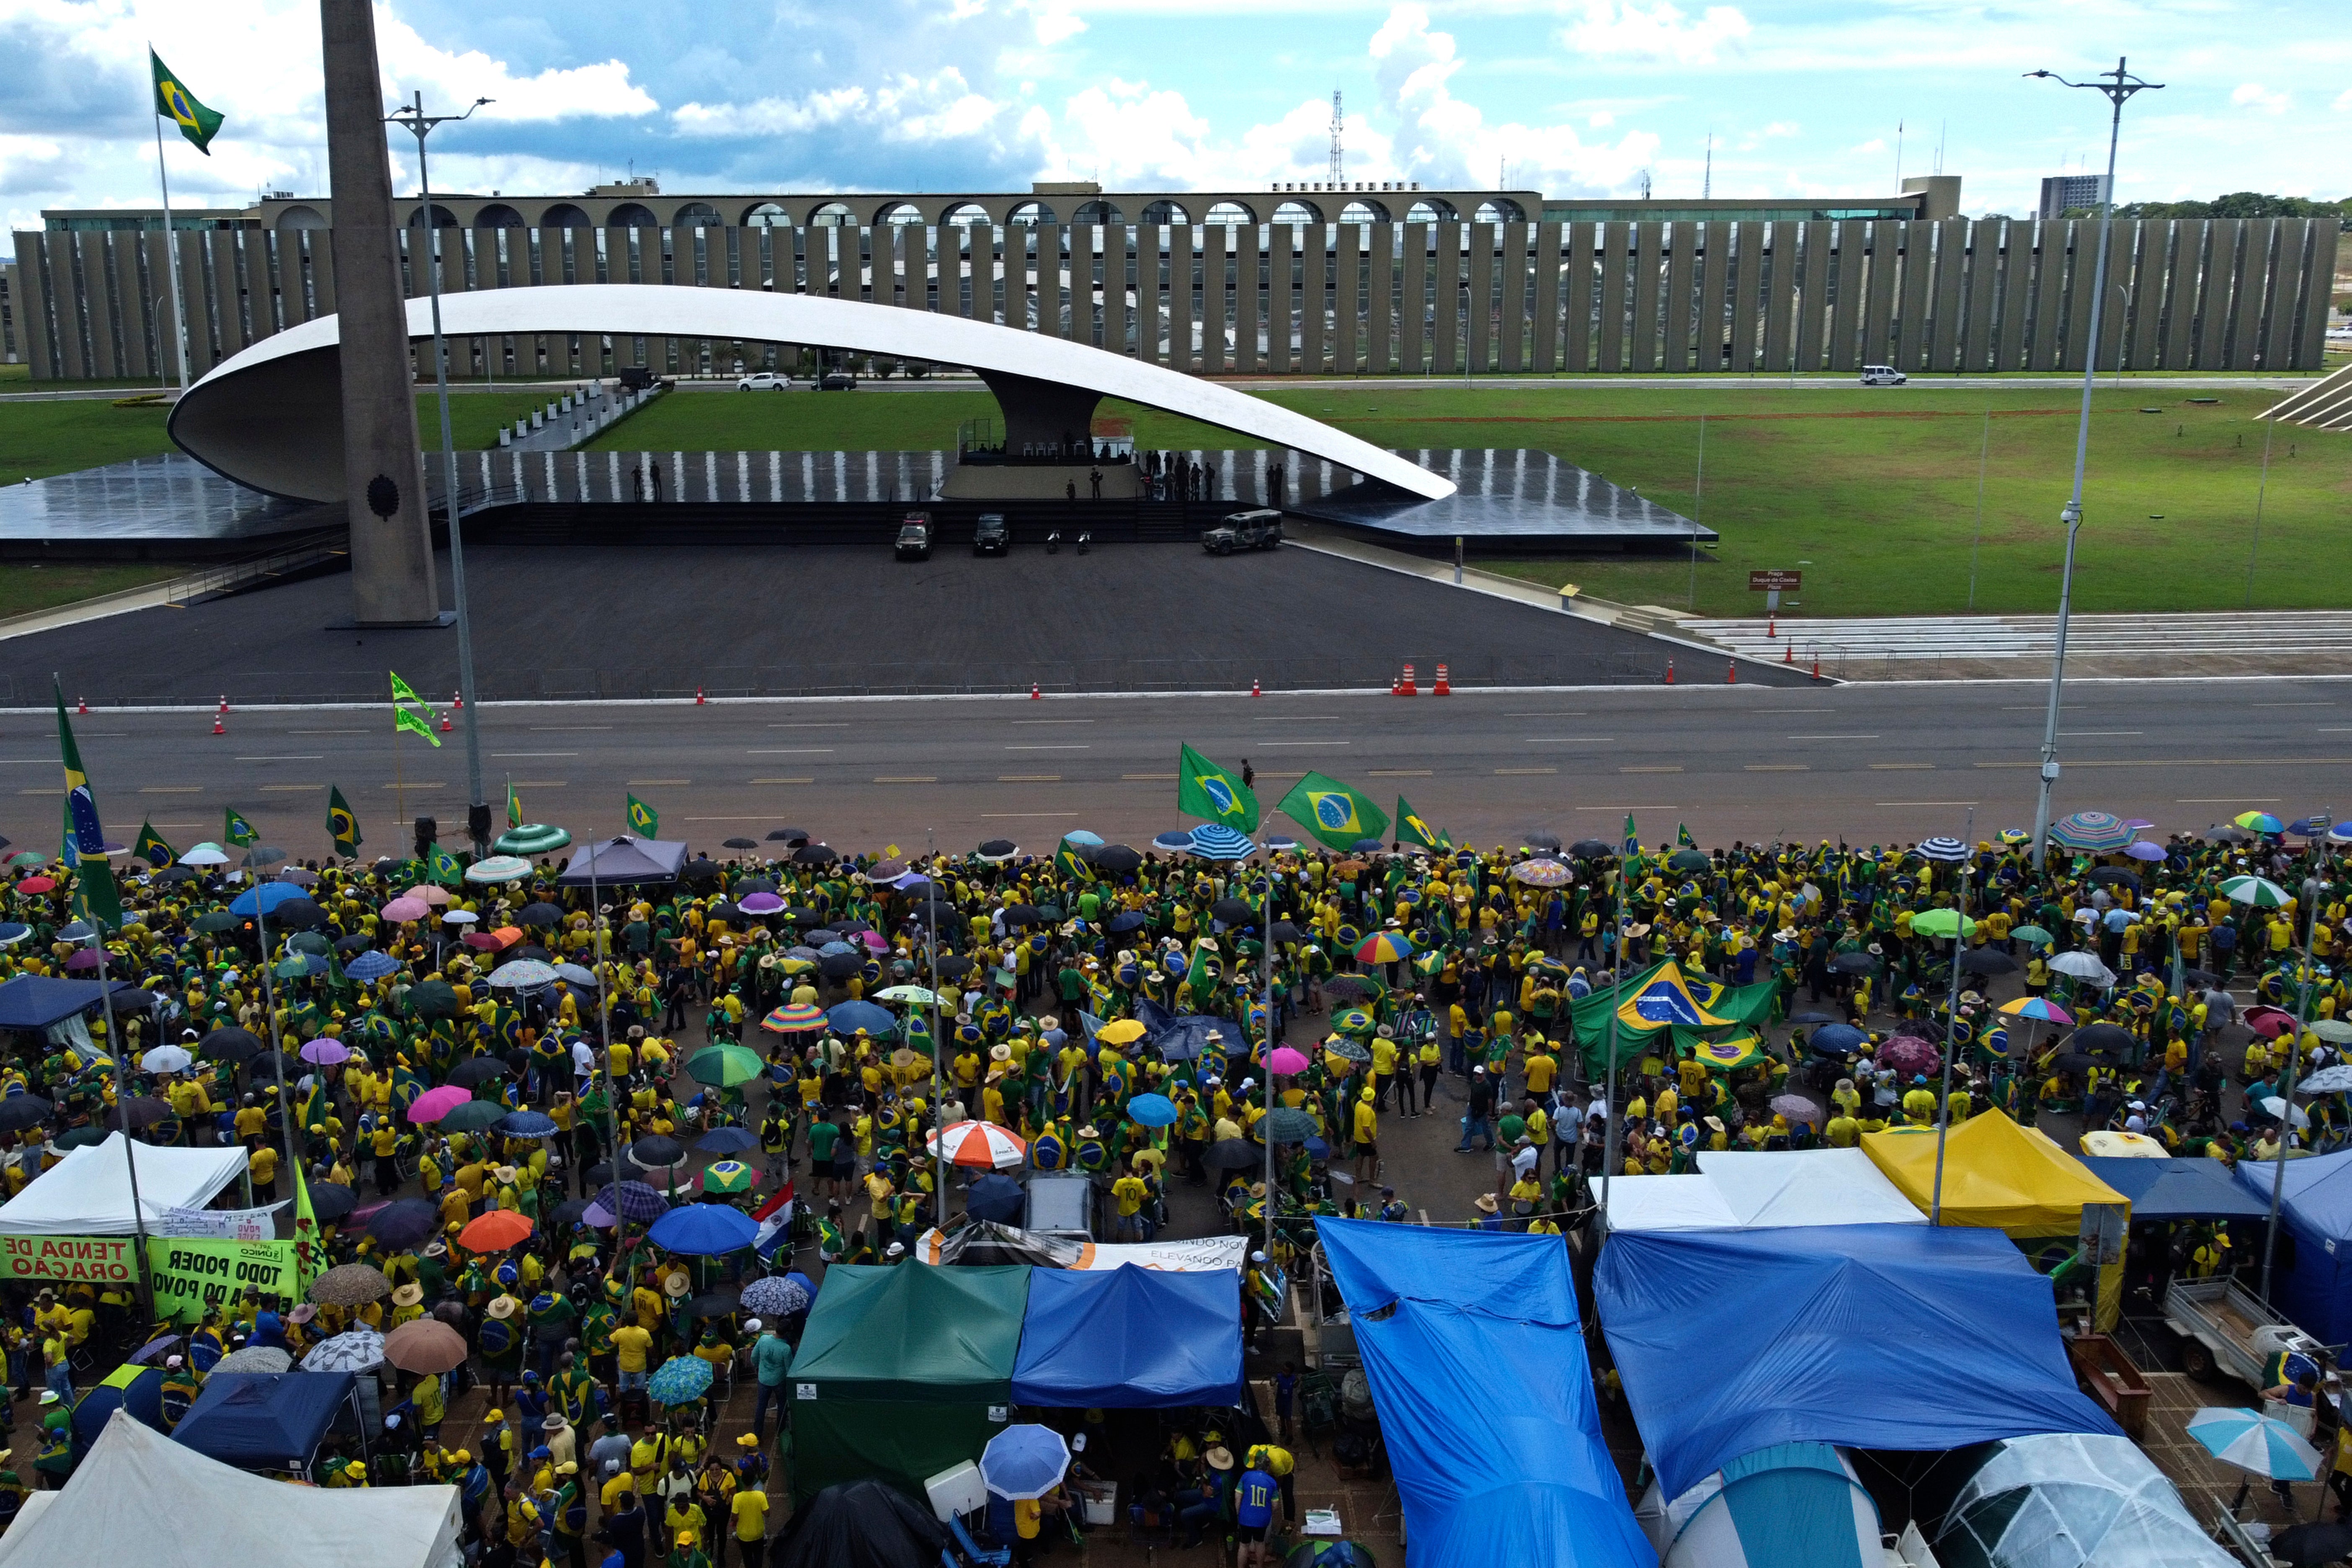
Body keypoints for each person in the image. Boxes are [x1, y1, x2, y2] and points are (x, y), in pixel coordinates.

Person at [748, 1318, 792, 1444]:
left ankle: (758, 1434)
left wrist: (758, 1367)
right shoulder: (786, 1349)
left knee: (761, 1406)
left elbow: (754, 1357)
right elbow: (789, 1368)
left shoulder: (764, 1340)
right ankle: (780, 1431)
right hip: (779, 1381)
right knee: (782, 1405)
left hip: (763, 1378)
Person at [1234, 1454, 1278, 1568]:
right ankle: (1259, 1566)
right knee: (1260, 1543)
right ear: (1268, 1467)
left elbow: (1238, 1497)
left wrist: (1238, 1512)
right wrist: (1269, 1513)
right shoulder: (1272, 1482)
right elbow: (1275, 1504)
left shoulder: (1246, 1476)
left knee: (1244, 1545)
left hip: (1245, 1518)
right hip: (1262, 1519)